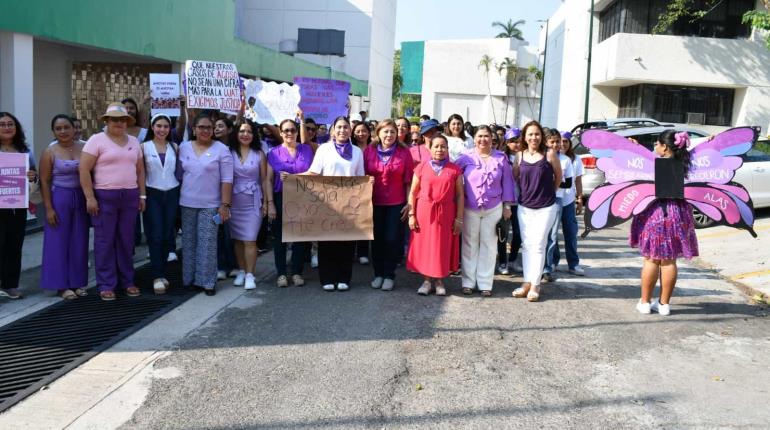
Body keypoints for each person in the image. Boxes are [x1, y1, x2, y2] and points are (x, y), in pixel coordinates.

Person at [80, 103, 146, 301]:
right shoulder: (96, 140)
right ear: (106, 121)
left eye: (122, 119)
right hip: (105, 196)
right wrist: (90, 197)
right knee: (105, 241)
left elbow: (140, 171)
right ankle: (106, 284)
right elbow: (84, 170)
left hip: (130, 196)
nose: (119, 123)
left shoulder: (134, 141)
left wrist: (142, 196)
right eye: (114, 119)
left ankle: (127, 281)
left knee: (126, 241)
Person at [631, 131, 698, 316]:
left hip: (654, 213)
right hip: (678, 214)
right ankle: (664, 305)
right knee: (669, 261)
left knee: (651, 258)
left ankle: (645, 303)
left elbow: (636, 164)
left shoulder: (651, 165)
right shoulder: (686, 165)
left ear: (665, 147)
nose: (654, 146)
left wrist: (635, 148)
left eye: (657, 143)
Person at [304, 116, 365, 291]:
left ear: (350, 130)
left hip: (349, 203)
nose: (342, 130)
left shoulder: (357, 152)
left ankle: (344, 277)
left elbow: (360, 177)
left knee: (346, 242)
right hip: (327, 202)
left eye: (346, 127)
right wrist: (293, 178)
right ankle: (327, 277)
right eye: (339, 127)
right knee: (327, 241)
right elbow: (313, 173)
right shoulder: (324, 149)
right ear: (333, 130)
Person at [454, 125, 516, 297]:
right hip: (469, 207)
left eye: (486, 136)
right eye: (480, 136)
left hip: (494, 207)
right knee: (469, 244)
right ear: (474, 139)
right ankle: (468, 282)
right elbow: (452, 175)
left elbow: (508, 183)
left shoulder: (501, 158)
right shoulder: (465, 157)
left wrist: (507, 207)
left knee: (489, 245)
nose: (483, 139)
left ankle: (485, 283)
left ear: (492, 139)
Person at [179, 113, 234, 296]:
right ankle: (190, 279)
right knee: (189, 243)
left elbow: (227, 179)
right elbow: (179, 175)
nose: (205, 131)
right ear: (194, 129)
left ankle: (207, 282)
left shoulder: (221, 149)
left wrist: (225, 204)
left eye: (208, 128)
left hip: (211, 204)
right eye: (201, 127)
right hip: (187, 203)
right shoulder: (184, 148)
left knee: (208, 243)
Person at [39, 115, 89, 299]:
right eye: (58, 128)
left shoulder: (84, 147)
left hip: (81, 197)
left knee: (79, 240)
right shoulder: (49, 151)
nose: (63, 131)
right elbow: (44, 181)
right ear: (53, 131)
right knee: (58, 242)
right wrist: (49, 208)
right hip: (59, 197)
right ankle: (60, 286)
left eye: (66, 127)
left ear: (73, 128)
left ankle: (77, 282)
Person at [511, 120, 562, 302]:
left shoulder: (549, 154)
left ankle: (535, 285)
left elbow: (558, 177)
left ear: (542, 136)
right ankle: (526, 282)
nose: (534, 137)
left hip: (546, 207)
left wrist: (550, 192)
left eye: (537, 134)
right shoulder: (519, 156)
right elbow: (515, 177)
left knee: (539, 244)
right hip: (524, 207)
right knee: (527, 245)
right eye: (530, 134)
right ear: (525, 136)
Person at [407, 135, 463, 296]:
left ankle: (439, 280)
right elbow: (413, 192)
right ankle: (426, 281)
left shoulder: (455, 169)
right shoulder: (421, 168)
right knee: (425, 246)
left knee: (441, 246)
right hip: (424, 212)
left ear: (447, 149)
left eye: (443, 146)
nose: (439, 150)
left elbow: (460, 195)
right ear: (430, 149)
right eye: (436, 146)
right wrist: (412, 214)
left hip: (446, 213)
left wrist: (459, 218)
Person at [364, 119, 413, 291]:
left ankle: (389, 274)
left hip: (396, 202)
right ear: (378, 133)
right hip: (373, 202)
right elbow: (361, 175)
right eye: (385, 131)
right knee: (377, 240)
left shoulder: (404, 152)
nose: (389, 135)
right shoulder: (369, 151)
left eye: (392, 132)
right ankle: (378, 274)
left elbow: (408, 181)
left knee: (392, 240)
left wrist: (409, 203)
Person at [267, 119, 314, 287]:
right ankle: (281, 273)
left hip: (302, 197)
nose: (289, 133)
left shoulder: (307, 150)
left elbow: (314, 173)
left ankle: (296, 272)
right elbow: (268, 179)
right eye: (286, 130)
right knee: (280, 237)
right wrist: (270, 203)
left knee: (300, 236)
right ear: (280, 133)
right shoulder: (273, 153)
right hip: (281, 197)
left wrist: (295, 178)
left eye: (293, 130)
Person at [0, 112, 38, 300]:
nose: (7, 127)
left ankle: (10, 285)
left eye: (10, 124)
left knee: (14, 245)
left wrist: (33, 176)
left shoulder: (25, 151)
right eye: (3, 124)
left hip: (17, 206)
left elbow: (34, 174)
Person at [141, 114, 180, 294]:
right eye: (159, 126)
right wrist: (141, 196)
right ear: (152, 126)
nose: (162, 129)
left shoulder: (175, 147)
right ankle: (157, 275)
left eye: (166, 126)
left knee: (166, 234)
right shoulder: (143, 147)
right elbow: (140, 174)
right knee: (155, 234)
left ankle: (163, 272)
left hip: (171, 192)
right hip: (152, 192)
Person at [228, 120, 269, 290]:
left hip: (253, 202)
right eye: (242, 131)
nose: (245, 134)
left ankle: (250, 274)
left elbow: (265, 179)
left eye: (249, 131)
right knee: (238, 239)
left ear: (254, 135)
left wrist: (267, 202)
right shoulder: (228, 153)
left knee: (250, 239)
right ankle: (242, 270)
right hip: (234, 201)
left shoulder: (259, 154)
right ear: (236, 133)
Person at [541, 127, 575, 283]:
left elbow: (568, 182)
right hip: (538, 199)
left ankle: (547, 268)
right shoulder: (541, 156)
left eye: (558, 141)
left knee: (552, 236)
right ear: (546, 142)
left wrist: (554, 179)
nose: (555, 145)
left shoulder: (566, 160)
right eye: (552, 141)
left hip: (556, 199)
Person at [553, 131, 585, 276]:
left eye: (566, 141)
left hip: (569, 201)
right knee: (552, 233)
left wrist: (580, 199)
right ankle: (554, 261)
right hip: (554, 200)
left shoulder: (575, 159)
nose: (563, 144)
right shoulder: (551, 157)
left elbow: (578, 181)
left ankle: (573, 264)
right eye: (561, 141)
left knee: (571, 234)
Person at [213, 117, 238, 280]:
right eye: (214, 126)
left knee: (232, 232)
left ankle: (234, 265)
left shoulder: (236, 149)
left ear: (229, 129)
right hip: (214, 195)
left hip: (235, 196)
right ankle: (220, 266)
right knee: (218, 231)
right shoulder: (211, 147)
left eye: (220, 126)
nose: (216, 129)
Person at [499, 127, 523, 274]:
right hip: (505, 201)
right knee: (503, 233)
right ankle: (502, 262)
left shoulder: (525, 157)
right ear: (507, 143)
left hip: (521, 201)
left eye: (519, 141)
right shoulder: (502, 157)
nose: (516, 144)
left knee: (519, 233)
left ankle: (513, 259)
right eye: (513, 141)